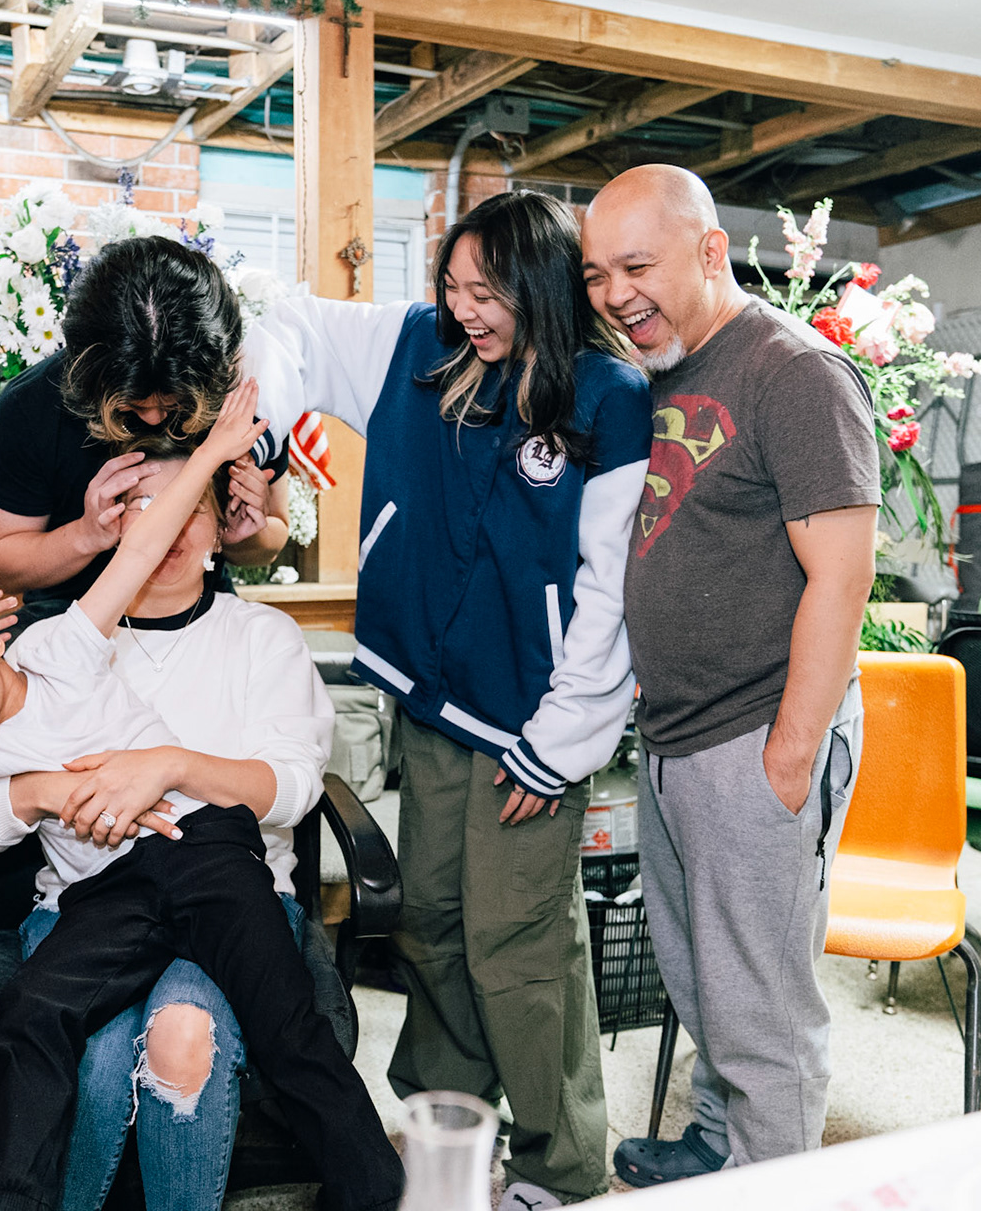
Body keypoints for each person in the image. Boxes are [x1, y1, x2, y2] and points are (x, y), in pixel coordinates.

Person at [0, 383, 405, 1211]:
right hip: (103, 891)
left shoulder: (66, 650)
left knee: (284, 1025)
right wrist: (15, 749)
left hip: (205, 854)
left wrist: (215, 451)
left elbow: (146, 543)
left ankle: (372, 1191)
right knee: (31, 1013)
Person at [245, 189, 652, 1209]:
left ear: (542, 287)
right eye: (454, 286)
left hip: (534, 720)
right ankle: (449, 1120)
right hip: (433, 696)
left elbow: (610, 592)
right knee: (427, 918)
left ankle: (561, 1162)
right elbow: (287, 321)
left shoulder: (608, 396)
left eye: (488, 292)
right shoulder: (419, 345)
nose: (465, 309)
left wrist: (560, 744)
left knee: (516, 941)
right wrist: (267, 428)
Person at [579, 165, 879, 1181]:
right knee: (705, 980)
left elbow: (842, 575)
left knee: (763, 1008)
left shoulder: (793, 373)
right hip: (677, 737)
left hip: (756, 733)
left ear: (711, 250)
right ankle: (720, 1143)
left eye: (636, 267)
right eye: (597, 275)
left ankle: (773, 1185)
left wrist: (790, 754)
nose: (616, 295)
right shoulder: (658, 371)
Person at [0, 236, 301, 630]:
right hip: (66, 616)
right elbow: (2, 562)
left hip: (197, 616)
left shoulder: (246, 400)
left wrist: (242, 535)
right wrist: (84, 536)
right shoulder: (29, 407)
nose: (152, 418)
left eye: (174, 404)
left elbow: (271, 540)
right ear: (84, 365)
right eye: (132, 404)